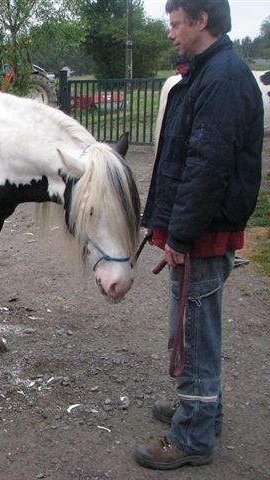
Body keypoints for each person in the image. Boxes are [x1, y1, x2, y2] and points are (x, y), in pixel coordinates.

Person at [136, 0, 263, 470]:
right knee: (194, 329)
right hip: (197, 229)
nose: (170, 33)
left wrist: (181, 235)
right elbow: (182, 159)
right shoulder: (206, 73)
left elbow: (207, 167)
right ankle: (204, 410)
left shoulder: (222, 79)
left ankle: (192, 435)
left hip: (203, 234)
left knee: (193, 333)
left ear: (200, 21)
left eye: (174, 24)